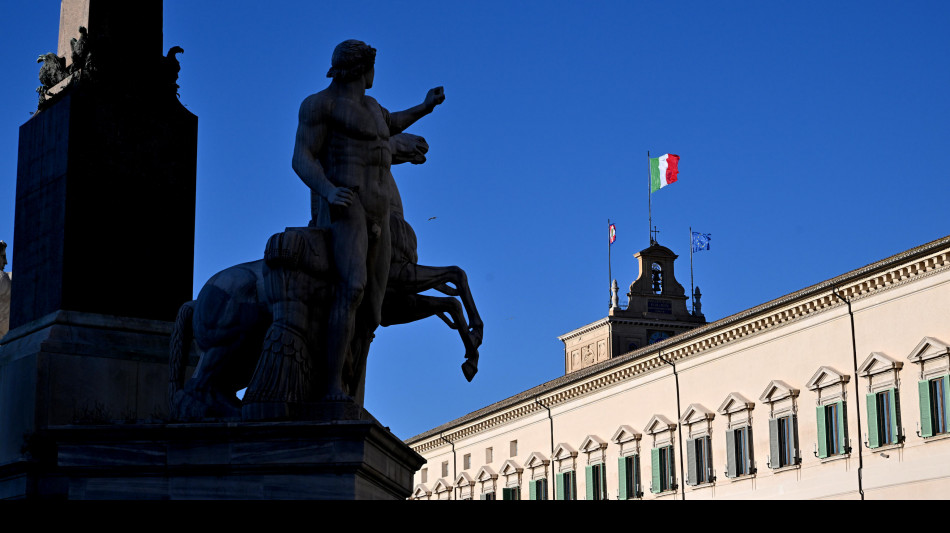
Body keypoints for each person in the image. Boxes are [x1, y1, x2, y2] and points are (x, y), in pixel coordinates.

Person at [291, 40, 445, 400]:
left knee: (373, 310)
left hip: (380, 212)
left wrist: (424, 107)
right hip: (348, 207)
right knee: (353, 290)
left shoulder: (373, 107)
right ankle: (330, 385)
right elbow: (301, 157)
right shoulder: (320, 104)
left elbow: (391, 125)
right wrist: (329, 191)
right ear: (363, 68)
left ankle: (351, 389)